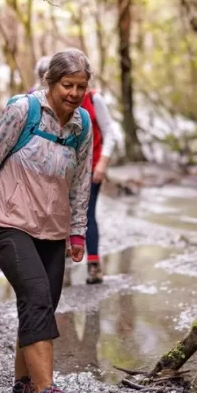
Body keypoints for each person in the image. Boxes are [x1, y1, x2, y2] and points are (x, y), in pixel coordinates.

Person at [0, 49, 93, 393]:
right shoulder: (23, 111)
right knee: (37, 297)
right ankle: (45, 389)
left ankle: (22, 385)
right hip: (10, 223)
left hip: (52, 228)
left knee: (42, 304)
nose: (74, 93)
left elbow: (81, 183)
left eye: (81, 86)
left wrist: (78, 232)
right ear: (50, 81)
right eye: (68, 85)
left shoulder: (82, 125)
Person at [78, 81, 119, 284]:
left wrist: (103, 162)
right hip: (64, 169)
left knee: (87, 213)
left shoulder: (95, 99)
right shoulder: (55, 98)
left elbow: (110, 132)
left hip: (92, 166)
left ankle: (93, 265)